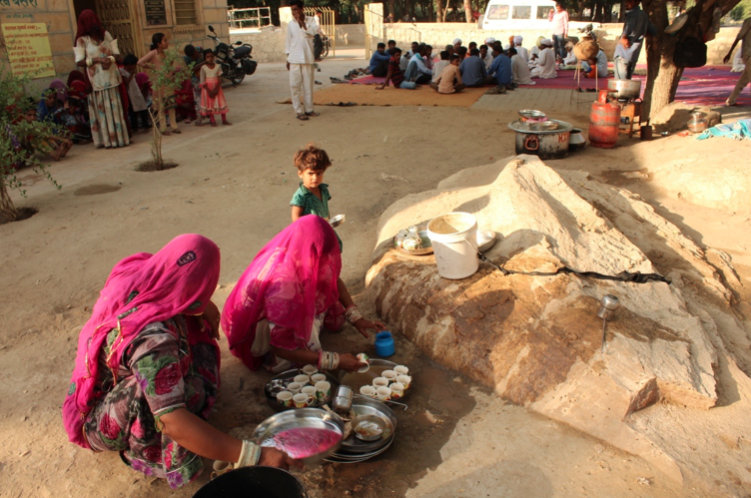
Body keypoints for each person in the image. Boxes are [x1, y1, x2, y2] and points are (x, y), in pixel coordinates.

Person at [62, 235, 297, 489]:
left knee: (193, 365)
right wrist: (256, 455)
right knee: (178, 399)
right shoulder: (153, 341)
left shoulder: (143, 273)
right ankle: (148, 451)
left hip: (112, 387)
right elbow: (175, 422)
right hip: (98, 421)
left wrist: (201, 306)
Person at [221, 216, 386, 374]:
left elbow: (333, 279)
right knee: (293, 363)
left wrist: (355, 316)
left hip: (284, 309)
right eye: (322, 259)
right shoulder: (282, 288)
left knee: (321, 290)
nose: (326, 264)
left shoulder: (300, 251)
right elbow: (281, 347)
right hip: (264, 331)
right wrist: (335, 361)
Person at [72, 9, 129, 148]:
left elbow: (117, 56)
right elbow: (79, 62)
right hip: (96, 83)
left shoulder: (106, 35)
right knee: (103, 112)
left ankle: (119, 139)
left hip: (111, 80)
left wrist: (108, 59)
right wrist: (98, 60)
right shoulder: (82, 40)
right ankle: (107, 141)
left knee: (114, 111)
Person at [138, 33, 182, 135]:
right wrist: (152, 67)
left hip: (168, 82)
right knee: (161, 106)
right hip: (159, 83)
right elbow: (140, 62)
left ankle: (174, 126)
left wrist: (174, 70)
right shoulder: (154, 53)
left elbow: (168, 68)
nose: (167, 42)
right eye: (164, 40)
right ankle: (163, 128)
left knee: (171, 105)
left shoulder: (167, 54)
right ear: (159, 44)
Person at [286, 0, 321, 121]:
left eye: (296, 9)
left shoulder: (311, 21)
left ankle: (309, 109)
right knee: (294, 86)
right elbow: (289, 42)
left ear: (302, 9)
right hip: (294, 59)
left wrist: (302, 23)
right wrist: (288, 58)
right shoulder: (290, 24)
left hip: (307, 58)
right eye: (292, 10)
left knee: (308, 86)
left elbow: (312, 33)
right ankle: (298, 111)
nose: (294, 12)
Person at [614, 0, 656, 80]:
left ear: (637, 2)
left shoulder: (631, 14)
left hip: (622, 53)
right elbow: (653, 31)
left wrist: (624, 36)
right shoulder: (644, 15)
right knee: (627, 82)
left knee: (621, 83)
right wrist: (641, 32)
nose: (626, 3)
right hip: (633, 54)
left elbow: (629, 26)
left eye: (630, 1)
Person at [196, 49, 231, 126]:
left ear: (214, 57)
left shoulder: (218, 66)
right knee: (210, 104)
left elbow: (219, 78)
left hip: (217, 88)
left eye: (211, 56)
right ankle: (212, 120)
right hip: (207, 89)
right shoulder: (203, 68)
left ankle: (224, 119)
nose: (210, 58)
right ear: (205, 58)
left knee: (220, 102)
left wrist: (217, 88)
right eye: (207, 57)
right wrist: (209, 91)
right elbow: (202, 81)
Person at [723, 16, 751, 106]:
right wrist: (729, 52)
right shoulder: (749, 21)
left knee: (743, 80)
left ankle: (731, 100)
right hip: (748, 54)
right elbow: (739, 37)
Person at [120, 54, 150, 133]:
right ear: (130, 64)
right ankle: (135, 127)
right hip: (129, 94)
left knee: (143, 108)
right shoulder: (122, 71)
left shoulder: (130, 72)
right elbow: (126, 82)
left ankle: (145, 125)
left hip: (136, 92)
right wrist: (132, 74)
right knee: (132, 111)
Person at [183, 44, 205, 126]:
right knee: (198, 98)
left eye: (195, 53)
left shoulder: (200, 49)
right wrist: (201, 65)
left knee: (206, 96)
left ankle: (209, 114)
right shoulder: (187, 58)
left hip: (205, 76)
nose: (195, 55)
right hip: (195, 79)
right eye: (193, 55)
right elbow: (191, 70)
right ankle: (199, 117)